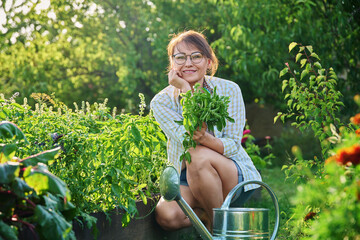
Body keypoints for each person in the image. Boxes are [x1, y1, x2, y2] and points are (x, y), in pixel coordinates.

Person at [150, 30, 261, 231]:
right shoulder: (161, 102)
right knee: (167, 215)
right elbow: (188, 138)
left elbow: (233, 145)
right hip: (188, 176)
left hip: (230, 172)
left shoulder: (229, 90)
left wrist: (206, 140)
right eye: (180, 57)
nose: (188, 63)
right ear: (172, 64)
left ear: (209, 61)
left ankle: (218, 231)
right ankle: (212, 216)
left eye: (196, 56)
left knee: (197, 154)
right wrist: (185, 89)